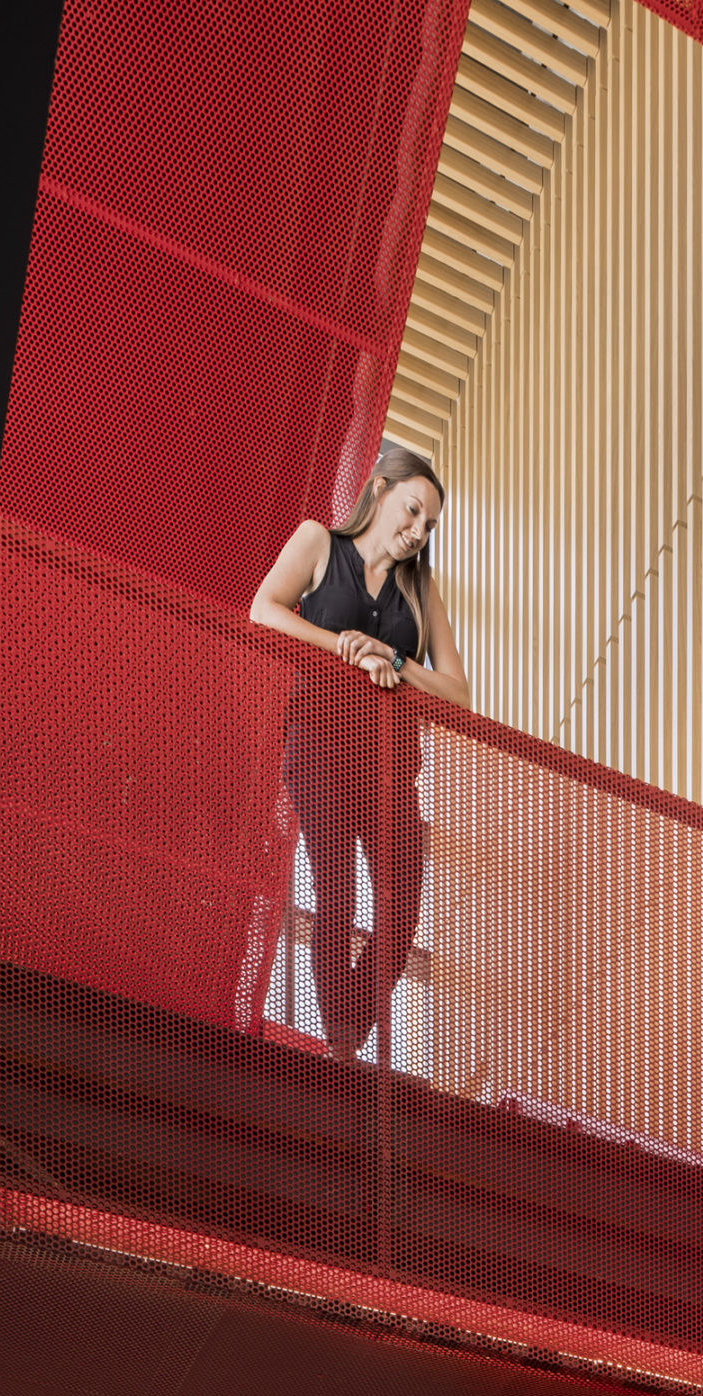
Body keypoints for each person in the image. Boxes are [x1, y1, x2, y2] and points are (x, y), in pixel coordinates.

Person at [250, 443, 470, 1059]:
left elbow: (457, 693)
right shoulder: (319, 542)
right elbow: (264, 609)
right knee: (339, 897)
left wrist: (394, 660)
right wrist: (342, 643)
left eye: (427, 525)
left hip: (392, 767)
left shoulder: (419, 587)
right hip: (319, 745)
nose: (416, 531)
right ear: (379, 490)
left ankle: (349, 1030)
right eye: (411, 510)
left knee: (400, 914)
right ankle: (344, 1044)